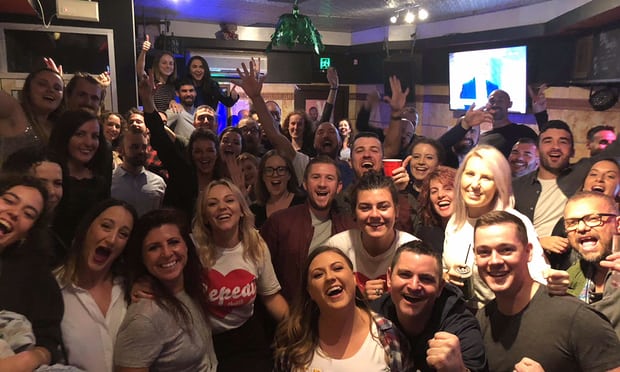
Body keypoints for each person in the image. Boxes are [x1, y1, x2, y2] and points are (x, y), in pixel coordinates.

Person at [473, 210, 620, 371]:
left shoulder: (577, 317)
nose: (494, 261)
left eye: (506, 250)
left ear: (528, 252)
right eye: (484, 252)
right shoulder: (483, 319)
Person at [193, 179, 288, 371]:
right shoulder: (192, 248)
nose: (222, 207)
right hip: (203, 339)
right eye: (212, 203)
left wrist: (299, 327)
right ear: (204, 216)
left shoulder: (255, 244)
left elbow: (271, 297)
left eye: (229, 200)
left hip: (247, 338)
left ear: (242, 209)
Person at [443, 145, 553, 309]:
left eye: (486, 178)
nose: (475, 184)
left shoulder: (513, 222)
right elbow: (446, 267)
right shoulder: (455, 221)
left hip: (508, 315)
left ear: (499, 184)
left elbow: (540, 278)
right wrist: (446, 276)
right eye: (470, 174)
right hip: (466, 315)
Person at [273, 246, 408, 372]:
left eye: (337, 268)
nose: (330, 277)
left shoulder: (387, 335)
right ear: (310, 292)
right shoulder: (294, 340)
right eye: (318, 275)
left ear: (354, 278)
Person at [115, 208, 217, 372]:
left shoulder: (191, 286)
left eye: (173, 242)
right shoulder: (144, 319)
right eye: (154, 247)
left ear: (186, 245)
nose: (167, 253)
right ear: (142, 257)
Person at [513, 120, 620, 268]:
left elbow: (614, 151)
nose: (555, 146)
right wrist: (536, 241)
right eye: (547, 141)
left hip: (569, 264)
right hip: (525, 264)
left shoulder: (582, 173)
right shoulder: (516, 186)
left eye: (563, 142)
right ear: (537, 149)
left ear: (572, 151)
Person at [371, 241, 487, 372]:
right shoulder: (372, 316)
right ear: (389, 278)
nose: (414, 286)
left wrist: (457, 369)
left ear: (440, 288)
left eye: (426, 278)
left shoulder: (460, 325)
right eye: (405, 275)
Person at [56, 199, 137, 372]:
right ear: (87, 228)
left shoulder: (130, 289)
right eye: (106, 226)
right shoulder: (54, 289)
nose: (112, 239)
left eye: (123, 234)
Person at [261, 156, 355, 304]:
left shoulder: (350, 226)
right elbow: (262, 274)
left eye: (329, 178)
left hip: (337, 310)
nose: (322, 184)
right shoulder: (280, 222)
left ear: (338, 187)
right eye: (316, 177)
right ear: (305, 184)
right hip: (293, 312)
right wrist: (287, 318)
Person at [0, 175, 64, 370]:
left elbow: (49, 343)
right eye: (9, 201)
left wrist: (30, 359)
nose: (14, 213)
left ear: (27, 234)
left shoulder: (36, 279)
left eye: (28, 214)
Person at [322, 171, 418, 300]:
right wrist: (358, 297)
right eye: (365, 208)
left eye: (383, 207)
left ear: (397, 211)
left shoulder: (414, 251)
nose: (374, 215)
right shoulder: (337, 247)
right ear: (354, 213)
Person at [48, 109, 112, 248]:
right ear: (65, 136)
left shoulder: (99, 181)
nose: (89, 142)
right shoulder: (49, 175)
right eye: (80, 134)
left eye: (95, 136)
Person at [564, 192, 620, 338]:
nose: (581, 228)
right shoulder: (574, 275)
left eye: (594, 219)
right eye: (572, 223)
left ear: (618, 224)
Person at [0, 68, 64, 162]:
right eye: (42, 84)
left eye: (57, 88)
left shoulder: (58, 126)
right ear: (28, 88)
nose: (51, 90)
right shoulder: (14, 111)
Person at [456, 90, 538, 158]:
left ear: (510, 104)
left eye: (500, 101)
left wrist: (540, 114)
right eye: (492, 101)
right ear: (487, 105)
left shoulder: (524, 132)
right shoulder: (481, 138)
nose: (495, 104)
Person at [111, 126, 166, 216]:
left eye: (144, 147)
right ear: (121, 151)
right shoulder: (110, 182)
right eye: (135, 147)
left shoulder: (158, 183)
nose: (141, 151)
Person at [250, 150, 306, 228]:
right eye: (269, 170)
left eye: (281, 169)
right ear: (263, 176)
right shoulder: (255, 210)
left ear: (289, 174)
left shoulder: (304, 203)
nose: (275, 174)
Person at [416, 166, 457, 254]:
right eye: (434, 191)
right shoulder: (426, 235)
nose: (440, 195)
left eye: (448, 189)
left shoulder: (474, 229)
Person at [137, 36, 177, 112]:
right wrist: (144, 51)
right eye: (164, 63)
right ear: (157, 65)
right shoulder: (150, 82)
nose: (168, 66)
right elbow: (140, 70)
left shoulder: (171, 87)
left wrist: (173, 102)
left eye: (171, 63)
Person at [313, 121, 355, 188]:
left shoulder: (348, 170)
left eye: (331, 132)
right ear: (314, 143)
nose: (326, 135)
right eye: (320, 133)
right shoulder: (306, 166)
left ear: (340, 142)